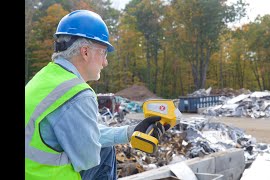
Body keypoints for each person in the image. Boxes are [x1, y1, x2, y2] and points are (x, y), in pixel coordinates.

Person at [25, 10, 169, 180]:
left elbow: (85, 133)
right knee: (105, 152)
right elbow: (89, 159)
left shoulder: (45, 77)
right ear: (85, 52)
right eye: (103, 53)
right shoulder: (78, 94)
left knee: (105, 147)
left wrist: (129, 132)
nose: (105, 62)